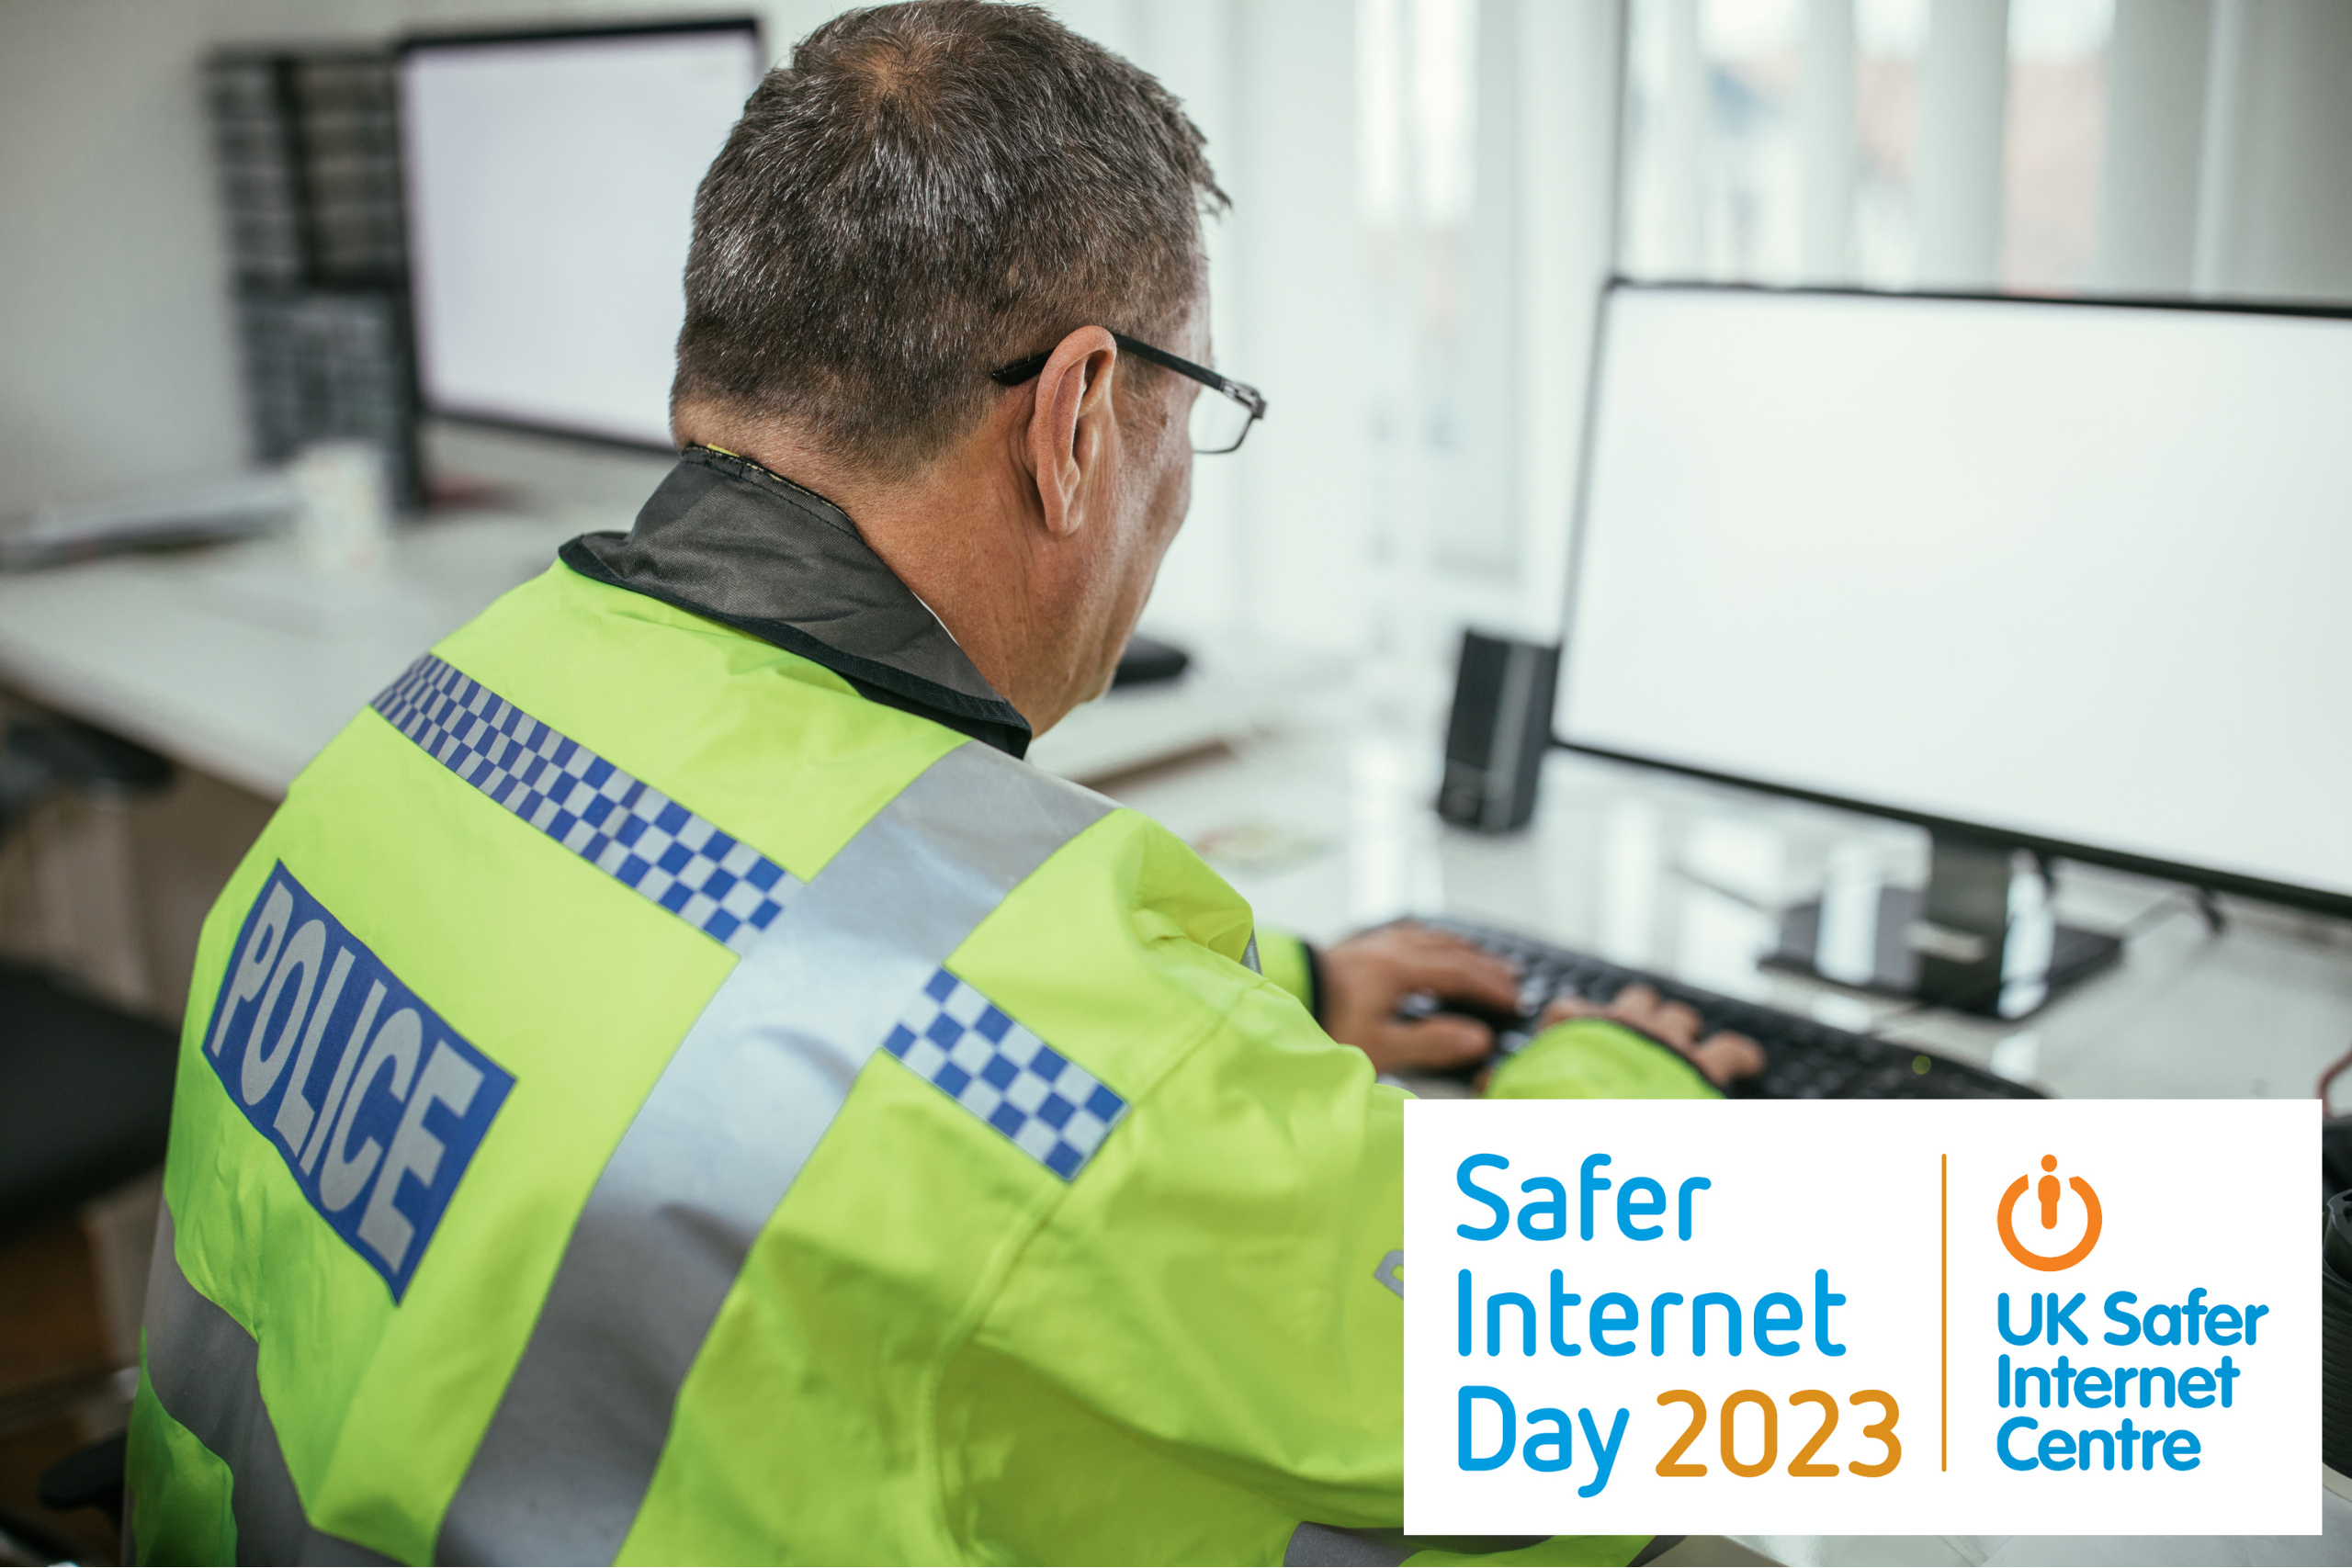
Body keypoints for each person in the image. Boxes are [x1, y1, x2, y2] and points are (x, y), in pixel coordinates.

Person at [126, 4, 1759, 1562]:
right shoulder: (1041, 1040)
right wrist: (1636, 1081)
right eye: (1196, 409)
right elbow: (1562, 1360)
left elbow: (746, 958)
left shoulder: (439, 717)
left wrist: (1296, 990)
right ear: (1076, 422)